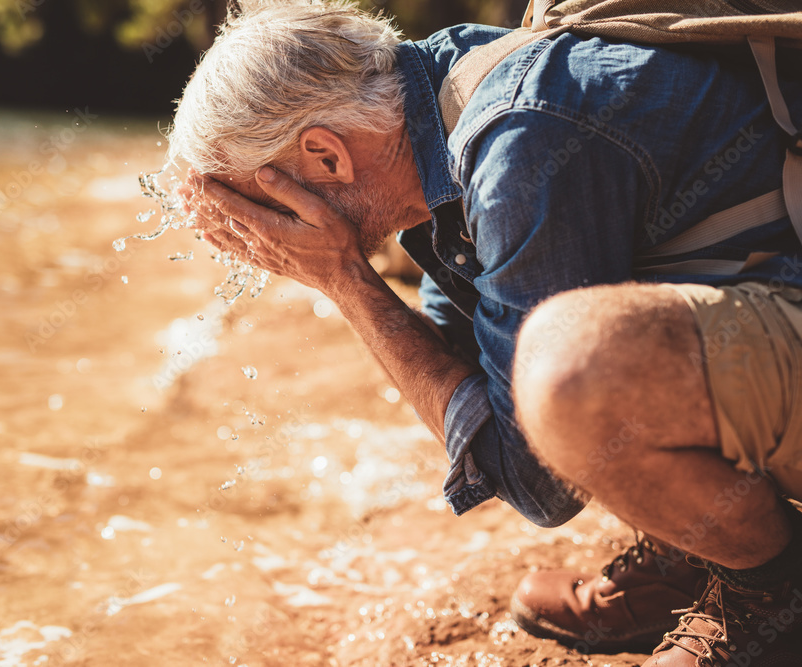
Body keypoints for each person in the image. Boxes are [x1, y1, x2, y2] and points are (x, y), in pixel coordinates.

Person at [168, 1, 802, 663]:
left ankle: (769, 592)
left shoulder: (519, 135)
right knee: (547, 342)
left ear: (325, 157)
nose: (266, 243)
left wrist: (344, 280)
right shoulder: (452, 104)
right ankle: (693, 549)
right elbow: (467, 377)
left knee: (571, 369)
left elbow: (541, 480)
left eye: (261, 210)